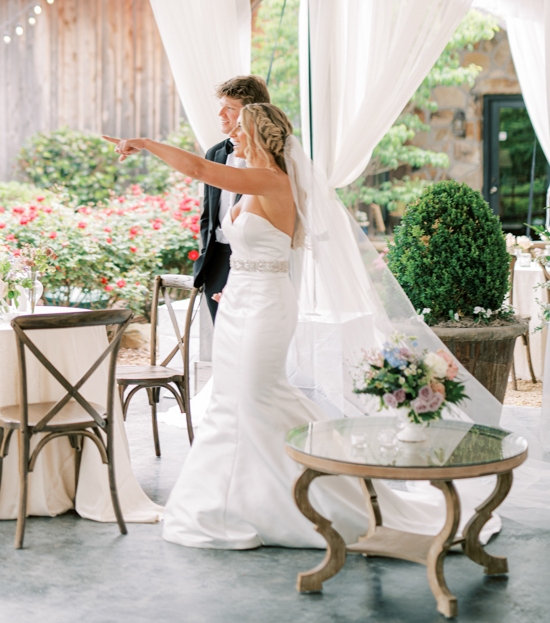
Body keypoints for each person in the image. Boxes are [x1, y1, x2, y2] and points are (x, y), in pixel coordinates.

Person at [105, 105, 469, 549]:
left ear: (260, 136)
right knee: (230, 400)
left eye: (239, 129)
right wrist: (231, 288)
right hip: (239, 300)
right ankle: (235, 503)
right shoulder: (251, 183)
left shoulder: (272, 180)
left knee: (257, 397)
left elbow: (200, 168)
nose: (232, 136)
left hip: (267, 305)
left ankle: (317, 497)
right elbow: (251, 249)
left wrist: (143, 143)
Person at [192, 76, 270, 322]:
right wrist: (207, 251)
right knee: (223, 337)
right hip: (216, 260)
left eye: (230, 108)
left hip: (255, 263)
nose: (220, 114)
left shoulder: (272, 159)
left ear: (251, 113)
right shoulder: (215, 152)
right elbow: (208, 211)